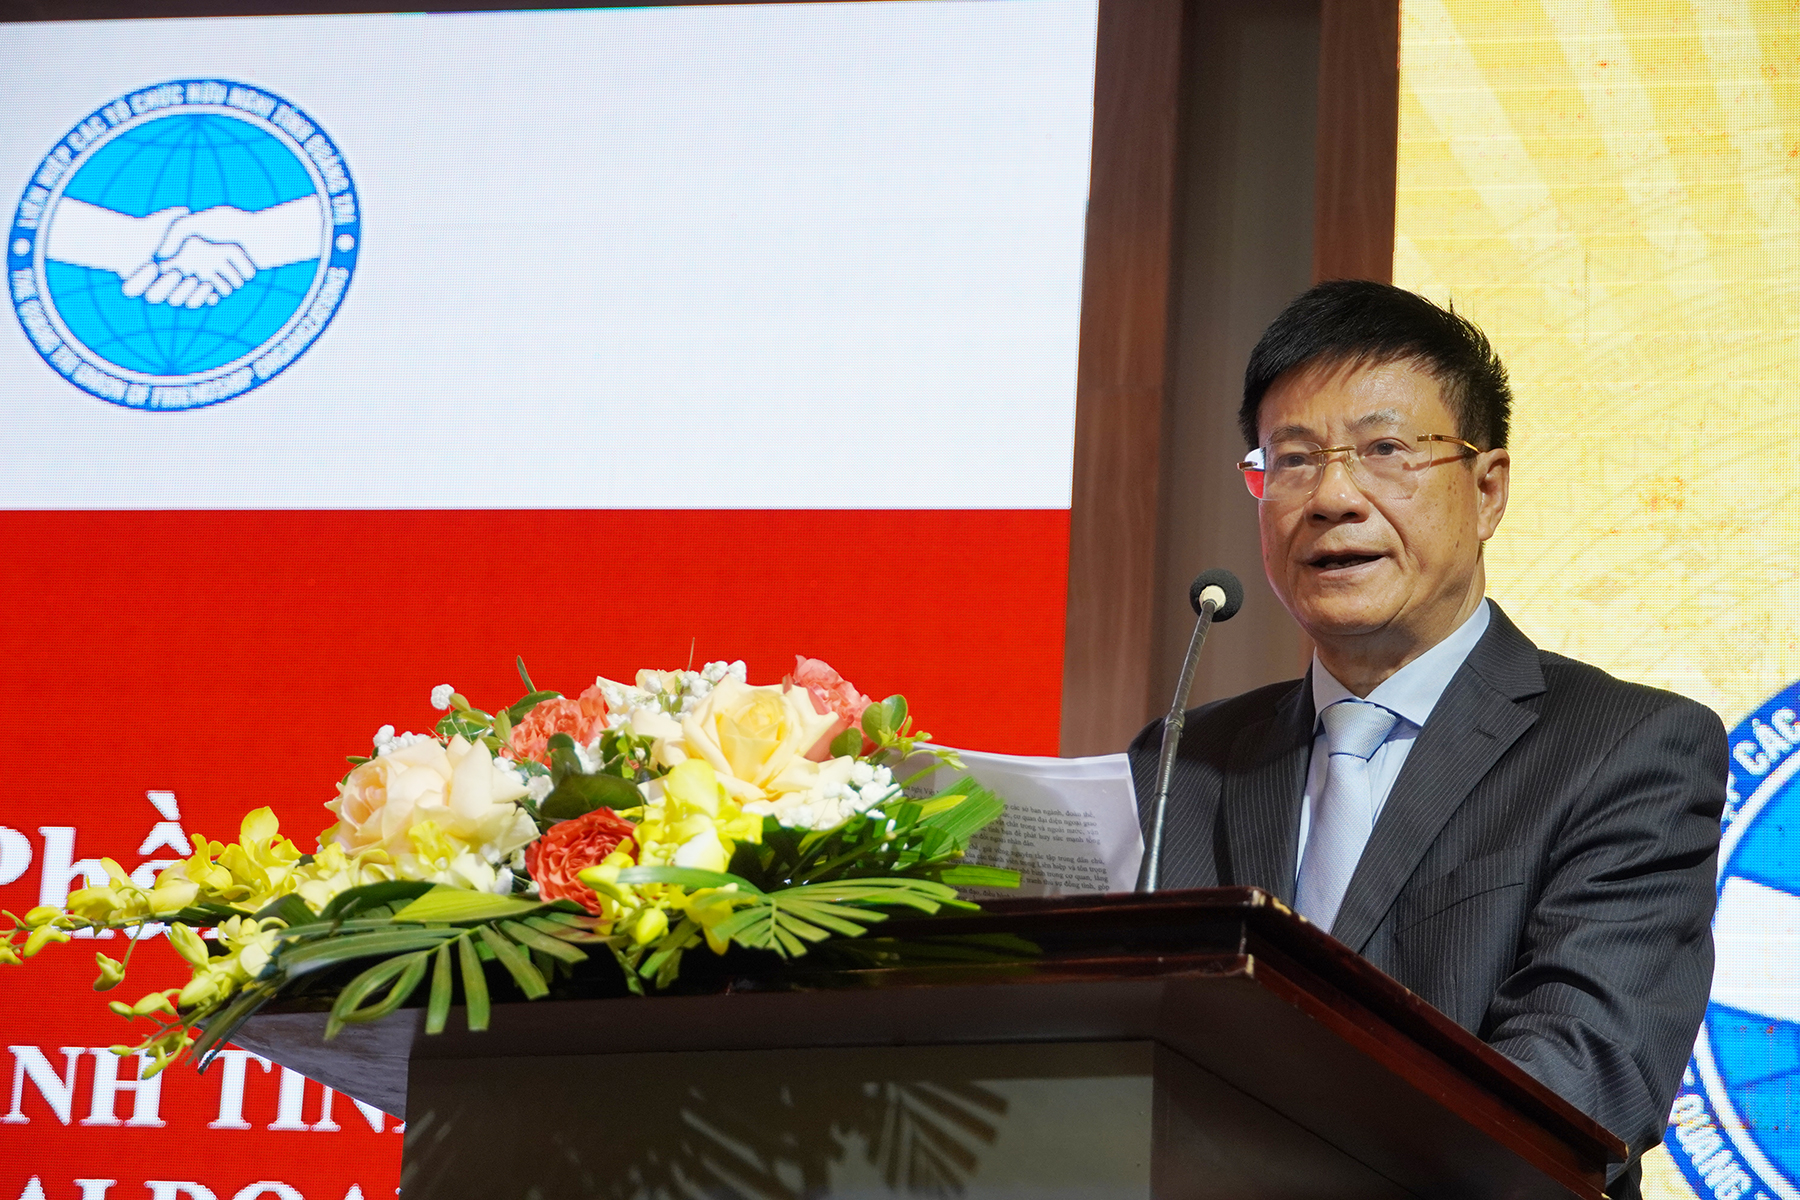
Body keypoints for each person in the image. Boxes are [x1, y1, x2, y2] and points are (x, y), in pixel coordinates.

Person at [1128, 280, 1725, 1198]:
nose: (1333, 496)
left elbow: (1581, 1080)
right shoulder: (1181, 763)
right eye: (1293, 459)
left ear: (1488, 490)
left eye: (1385, 451)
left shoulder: (1630, 750)